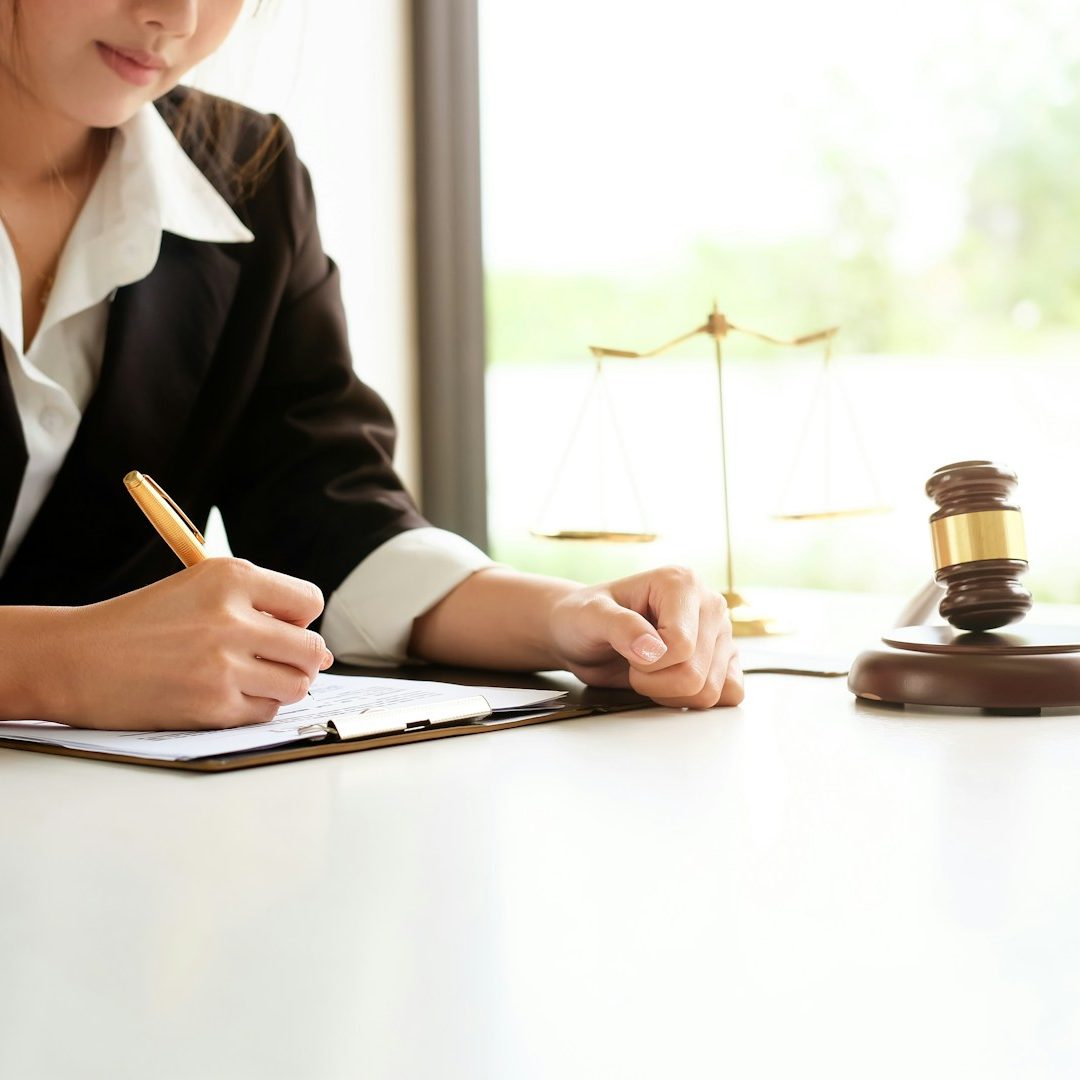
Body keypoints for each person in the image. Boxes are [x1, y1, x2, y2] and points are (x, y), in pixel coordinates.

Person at [0, 0, 742, 732]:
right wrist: (57, 664)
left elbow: (327, 514)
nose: (179, 15)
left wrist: (565, 615)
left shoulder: (246, 173)